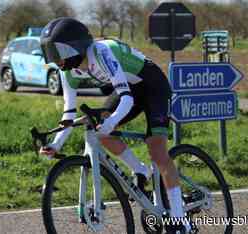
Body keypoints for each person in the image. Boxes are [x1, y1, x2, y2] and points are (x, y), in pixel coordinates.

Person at [39, 17, 190, 233]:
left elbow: (126, 99)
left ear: (75, 46)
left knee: (156, 149)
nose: (56, 61)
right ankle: (141, 171)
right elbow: (69, 113)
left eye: (58, 53)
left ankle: (178, 219)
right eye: (51, 54)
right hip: (129, 88)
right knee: (100, 132)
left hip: (152, 85)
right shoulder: (67, 72)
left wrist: (111, 122)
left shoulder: (101, 52)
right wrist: (56, 145)